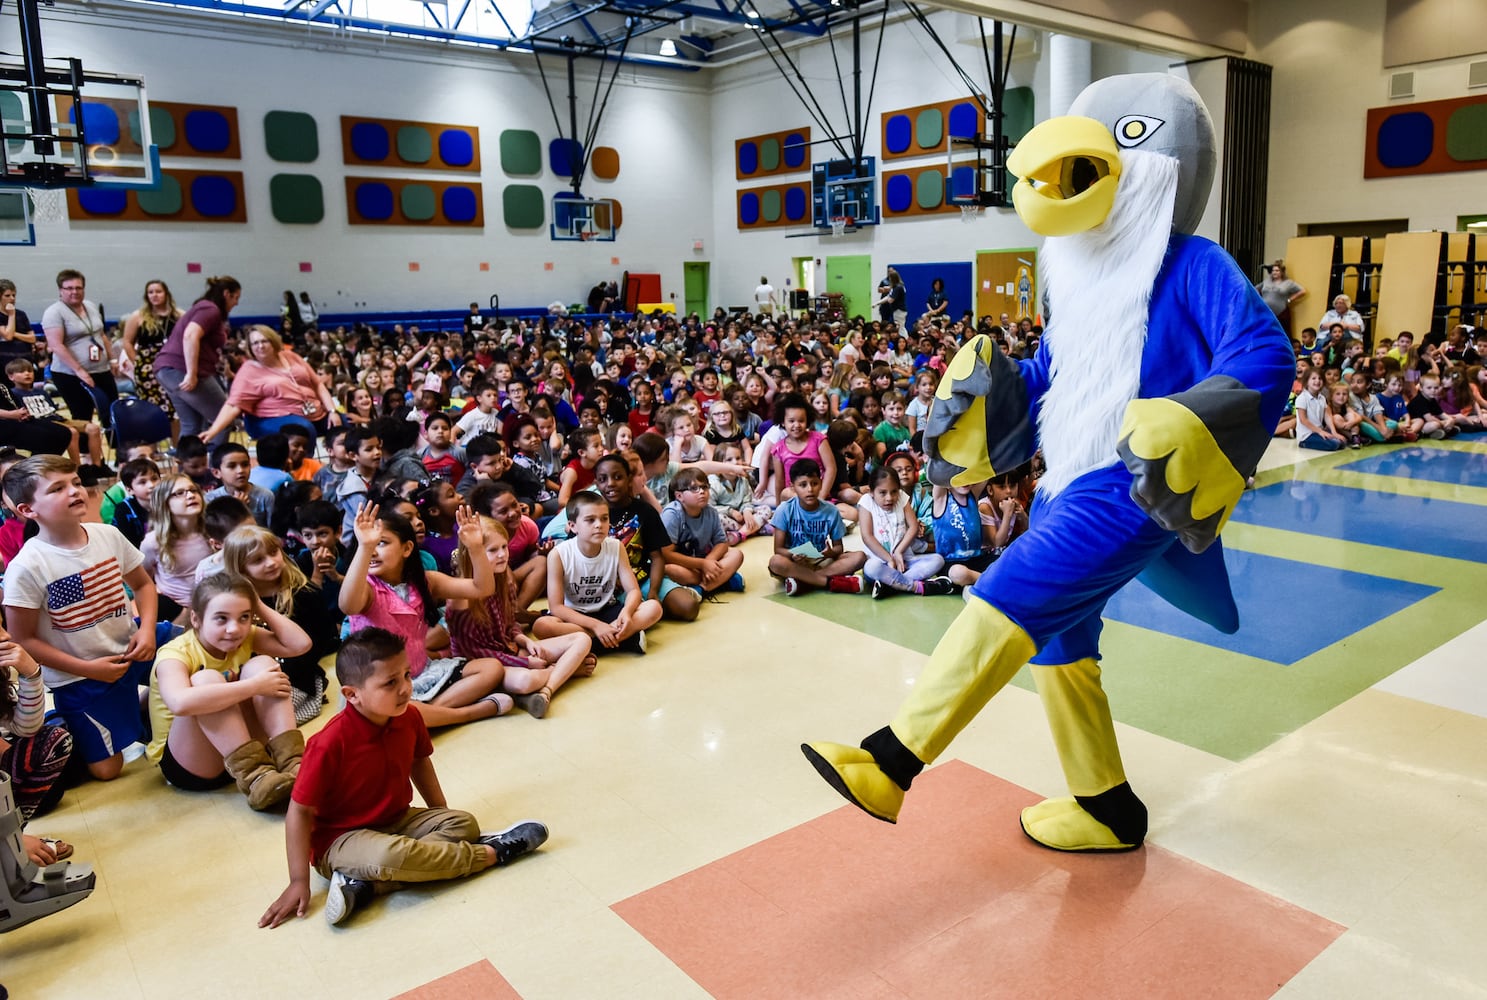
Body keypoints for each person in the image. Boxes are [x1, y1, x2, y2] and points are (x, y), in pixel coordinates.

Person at [259, 627, 549, 929]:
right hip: (340, 840)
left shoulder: (409, 717)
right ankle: (493, 853)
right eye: (390, 683)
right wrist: (298, 881)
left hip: (396, 821)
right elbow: (299, 811)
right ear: (352, 695)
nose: (405, 688)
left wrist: (441, 812)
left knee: (463, 823)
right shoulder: (327, 743)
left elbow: (420, 764)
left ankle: (367, 884)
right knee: (390, 855)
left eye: (407, 675)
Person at [2, 456, 159, 782]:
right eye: (58, 488)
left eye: (75, 482)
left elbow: (144, 586)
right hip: (80, 675)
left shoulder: (107, 535)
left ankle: (143, 702)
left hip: (131, 647)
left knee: (190, 655)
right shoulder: (26, 567)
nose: (75, 491)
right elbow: (24, 640)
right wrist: (90, 669)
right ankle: (67, 719)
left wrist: (146, 631)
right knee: (107, 770)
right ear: (27, 510)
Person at [339, 502, 515, 727]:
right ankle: (473, 712)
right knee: (392, 711)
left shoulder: (426, 580)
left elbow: (482, 588)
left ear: (407, 548)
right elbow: (347, 606)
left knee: (491, 669)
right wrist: (364, 547)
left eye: (381, 543)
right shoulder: (366, 588)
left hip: (423, 671)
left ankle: (426, 716)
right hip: (385, 684)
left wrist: (476, 549)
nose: (373, 550)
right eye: (367, 544)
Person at [146, 573, 309, 809]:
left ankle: (293, 763)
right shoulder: (176, 653)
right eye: (221, 619)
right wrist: (253, 686)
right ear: (197, 618)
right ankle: (256, 778)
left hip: (240, 751)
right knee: (205, 680)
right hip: (190, 765)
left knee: (261, 665)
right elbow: (179, 703)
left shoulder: (246, 637)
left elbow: (300, 645)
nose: (234, 629)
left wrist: (260, 606)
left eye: (244, 617)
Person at [447, 516, 593, 718]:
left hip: (510, 650)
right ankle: (563, 670)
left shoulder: (503, 578)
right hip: (482, 665)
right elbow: (476, 653)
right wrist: (525, 663)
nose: (502, 555)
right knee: (526, 681)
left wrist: (524, 640)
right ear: (473, 554)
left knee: (582, 639)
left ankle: (546, 689)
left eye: (504, 547)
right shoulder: (461, 596)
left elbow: (509, 624)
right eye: (492, 550)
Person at [223, 525, 339, 725]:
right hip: (248, 680)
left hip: (297, 678)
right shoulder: (235, 601)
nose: (271, 562)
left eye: (274, 552)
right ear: (241, 568)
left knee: (264, 716)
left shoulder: (304, 593)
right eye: (258, 560)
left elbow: (318, 644)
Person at [546, 492, 661, 654]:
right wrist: (595, 626)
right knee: (543, 626)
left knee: (654, 608)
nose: (599, 524)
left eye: (604, 518)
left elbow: (634, 590)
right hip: (576, 617)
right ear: (573, 526)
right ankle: (625, 639)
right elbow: (556, 607)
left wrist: (627, 612)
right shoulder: (558, 554)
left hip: (608, 610)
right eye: (590, 520)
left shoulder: (616, 547)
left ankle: (589, 644)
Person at [200, 326, 339, 444]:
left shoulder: (290, 356)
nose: (260, 346)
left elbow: (318, 385)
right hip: (269, 418)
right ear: (250, 347)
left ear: (273, 341)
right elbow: (233, 405)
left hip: (311, 412)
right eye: (255, 343)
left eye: (264, 341)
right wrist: (213, 430)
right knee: (301, 430)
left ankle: (340, 469)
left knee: (344, 422)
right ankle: (302, 471)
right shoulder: (249, 370)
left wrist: (332, 411)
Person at [156, 275, 243, 447]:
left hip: (167, 369)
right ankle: (216, 469)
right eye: (236, 298)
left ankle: (187, 471)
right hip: (181, 369)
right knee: (223, 420)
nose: (237, 303)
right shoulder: (210, 309)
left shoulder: (203, 307)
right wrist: (191, 373)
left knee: (191, 425)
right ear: (226, 294)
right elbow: (190, 336)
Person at [766, 459, 866, 596]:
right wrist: (793, 555)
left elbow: (838, 548)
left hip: (822, 560)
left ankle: (804, 582)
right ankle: (829, 582)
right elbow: (778, 549)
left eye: (814, 484)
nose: (810, 490)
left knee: (860, 557)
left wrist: (829, 552)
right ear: (793, 487)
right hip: (794, 562)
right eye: (803, 485)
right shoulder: (784, 510)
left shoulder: (831, 511)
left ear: (820, 483)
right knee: (776, 562)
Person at [41, 269, 119, 430]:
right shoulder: (54, 312)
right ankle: (86, 454)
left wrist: (113, 359)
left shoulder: (90, 306)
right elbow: (56, 345)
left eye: (78, 288)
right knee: (82, 414)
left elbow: (101, 334)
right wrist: (79, 371)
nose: (74, 292)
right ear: (60, 291)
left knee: (112, 412)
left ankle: (118, 450)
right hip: (69, 374)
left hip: (101, 369)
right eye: (69, 288)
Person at [856, 467, 950, 598]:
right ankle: (914, 586)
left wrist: (899, 551)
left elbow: (913, 527)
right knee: (871, 568)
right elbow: (867, 536)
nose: (889, 498)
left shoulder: (902, 498)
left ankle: (891, 586)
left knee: (938, 560)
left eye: (894, 491)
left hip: (905, 561)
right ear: (871, 492)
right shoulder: (866, 501)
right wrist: (889, 559)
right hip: (879, 562)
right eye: (882, 493)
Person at [4, 359, 107, 470]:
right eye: (21, 372)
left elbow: (52, 408)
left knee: (94, 428)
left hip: (58, 418)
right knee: (72, 432)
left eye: (30, 371)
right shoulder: (14, 394)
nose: (27, 374)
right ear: (11, 377)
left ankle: (97, 467)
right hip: (42, 422)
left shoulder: (41, 391)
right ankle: (77, 468)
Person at [660, 467, 745, 596]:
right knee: (669, 570)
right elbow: (666, 554)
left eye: (705, 487)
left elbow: (722, 543)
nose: (702, 492)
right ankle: (723, 580)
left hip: (703, 561)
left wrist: (710, 561)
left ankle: (701, 589)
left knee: (736, 554)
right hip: (682, 564)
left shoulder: (711, 512)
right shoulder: (672, 514)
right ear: (679, 496)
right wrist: (703, 564)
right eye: (694, 489)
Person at [141, 475, 213, 621]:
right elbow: (143, 578)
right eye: (180, 493)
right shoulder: (153, 541)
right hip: (176, 610)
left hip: (212, 603)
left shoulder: (213, 531)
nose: (191, 495)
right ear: (165, 503)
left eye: (193, 490)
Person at [119, 279, 182, 416]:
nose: (154, 295)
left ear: (166, 294)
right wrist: (137, 361)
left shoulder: (178, 315)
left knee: (175, 407)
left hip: (172, 365)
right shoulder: (137, 316)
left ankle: (177, 437)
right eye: (150, 292)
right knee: (152, 407)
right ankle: (153, 436)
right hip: (147, 368)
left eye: (158, 291)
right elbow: (127, 341)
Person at [206, 442, 274, 527]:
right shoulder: (211, 499)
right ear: (216, 473)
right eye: (232, 466)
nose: (240, 470)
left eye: (245, 465)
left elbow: (272, 531)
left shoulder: (265, 496)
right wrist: (235, 510)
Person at [110, 457, 160, 548]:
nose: (151, 485)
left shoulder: (169, 502)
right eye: (142, 482)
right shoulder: (123, 510)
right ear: (129, 490)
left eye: (154, 479)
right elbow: (124, 544)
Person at [0, 278, 38, 388]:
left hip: (24, 358)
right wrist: (11, 315)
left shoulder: (21, 314)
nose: (12, 299)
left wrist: (15, 333)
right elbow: (7, 336)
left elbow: (32, 338)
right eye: (7, 296)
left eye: (13, 295)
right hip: (5, 362)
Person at [1294, 369, 1344, 451]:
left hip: (1318, 432)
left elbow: (1327, 416)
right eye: (1313, 378)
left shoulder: (1322, 398)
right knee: (1334, 444)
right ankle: (1304, 443)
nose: (1317, 381)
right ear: (1307, 382)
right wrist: (1320, 432)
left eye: (1320, 378)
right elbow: (1303, 420)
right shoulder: (1302, 398)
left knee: (1341, 442)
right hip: (1307, 435)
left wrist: (1334, 432)